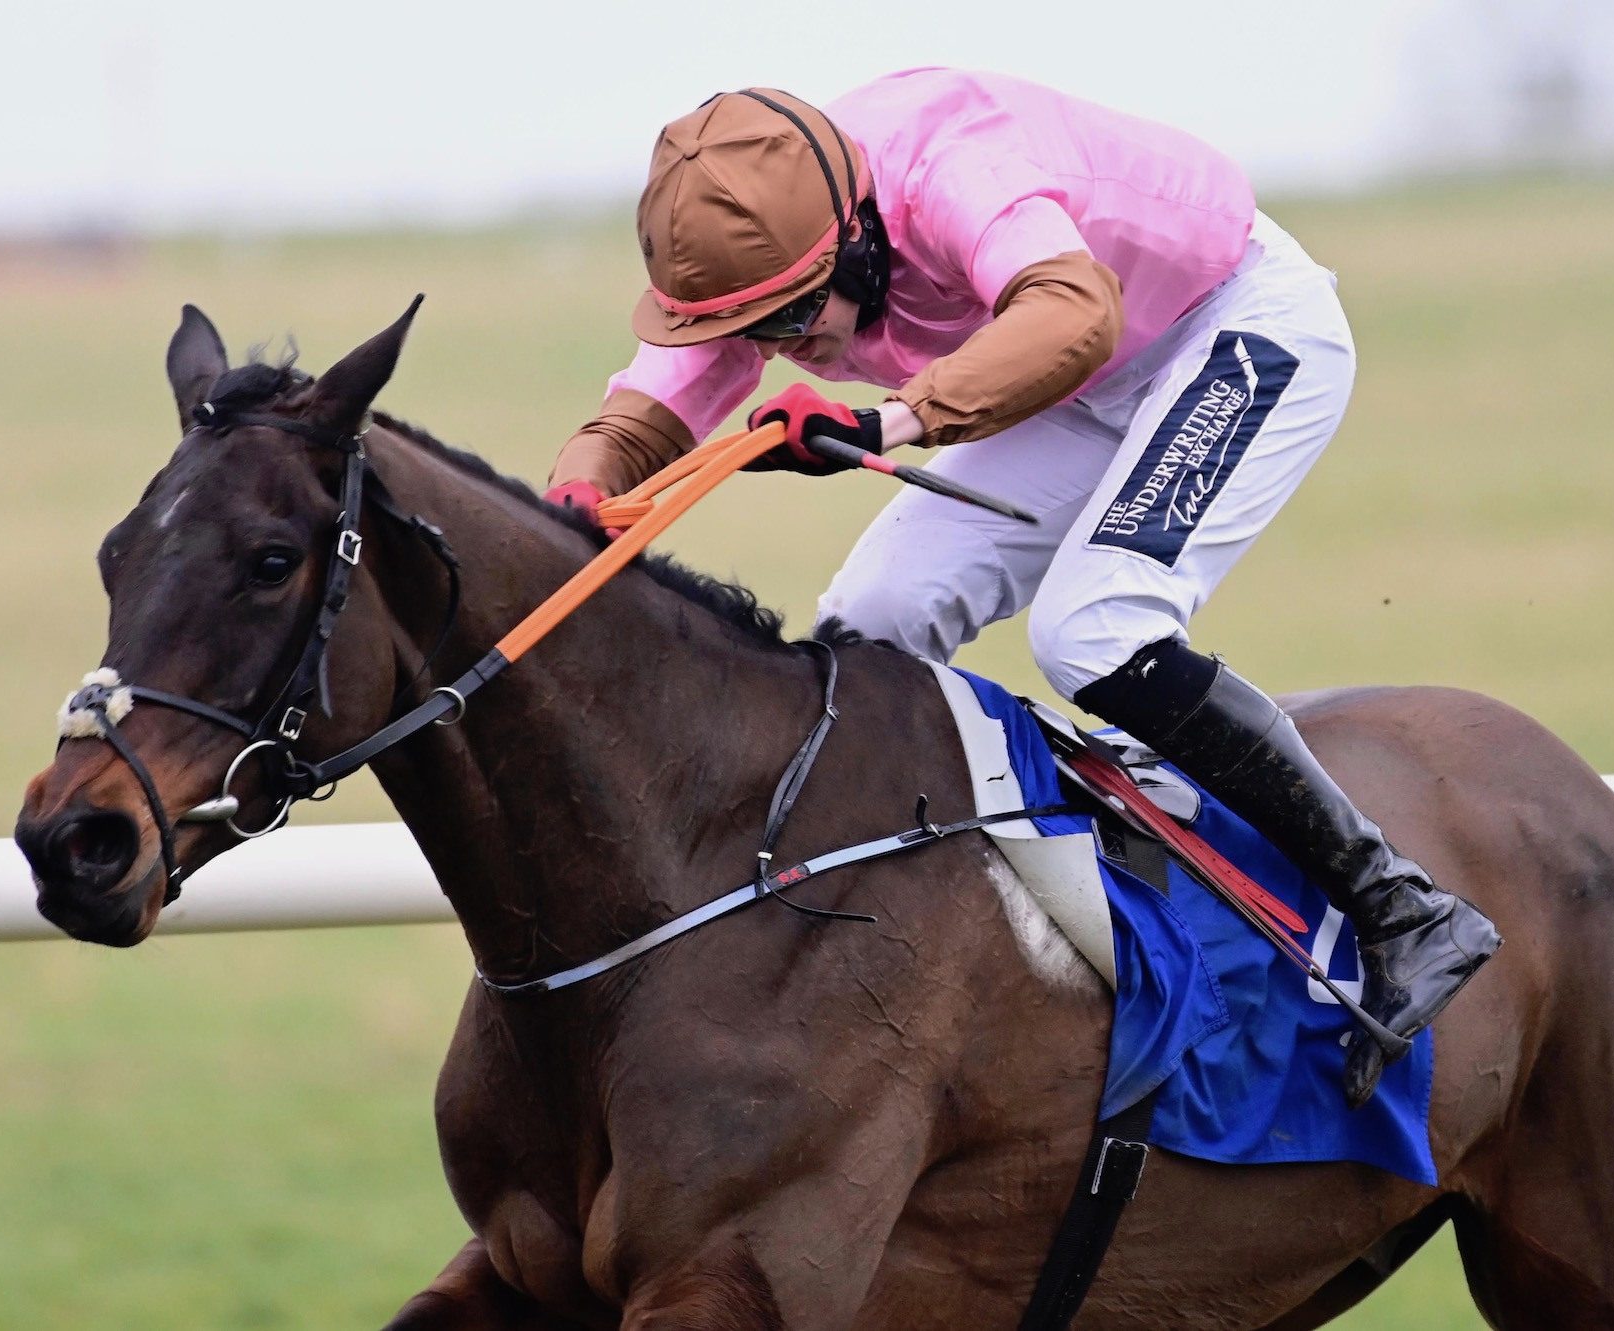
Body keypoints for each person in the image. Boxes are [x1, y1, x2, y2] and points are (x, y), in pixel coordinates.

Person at [544, 68, 1499, 1106]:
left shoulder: (952, 165)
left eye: (792, 320)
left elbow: (1074, 313)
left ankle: (1402, 907)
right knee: (870, 631)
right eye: (755, 332)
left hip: (1227, 327)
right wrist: (570, 501)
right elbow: (641, 417)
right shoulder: (768, 243)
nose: (779, 353)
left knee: (1093, 630)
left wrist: (886, 421)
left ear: (854, 240)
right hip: (1061, 378)